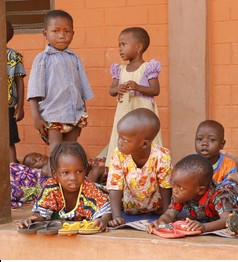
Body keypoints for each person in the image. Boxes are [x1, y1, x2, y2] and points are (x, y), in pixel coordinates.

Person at [27, 10, 94, 153]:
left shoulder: (74, 58)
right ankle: (54, 175)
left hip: (74, 113)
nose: (62, 35)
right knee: (56, 150)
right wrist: (36, 117)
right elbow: (34, 90)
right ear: (45, 34)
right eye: (56, 31)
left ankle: (66, 175)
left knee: (70, 150)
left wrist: (83, 110)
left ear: (73, 34)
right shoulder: (42, 59)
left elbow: (81, 87)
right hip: (53, 113)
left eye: (67, 31)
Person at [17, 142, 111, 232]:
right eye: (66, 173)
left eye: (79, 171)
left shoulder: (89, 189)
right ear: (55, 174)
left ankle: (98, 172)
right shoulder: (52, 188)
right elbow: (41, 212)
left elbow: (107, 211)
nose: (73, 178)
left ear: (85, 170)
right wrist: (32, 220)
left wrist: (103, 221)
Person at [106, 27, 162, 166]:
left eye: (123, 45)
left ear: (138, 47)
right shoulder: (119, 70)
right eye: (119, 45)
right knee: (123, 139)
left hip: (142, 115)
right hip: (124, 112)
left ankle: (151, 167)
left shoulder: (148, 68)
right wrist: (118, 88)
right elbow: (111, 91)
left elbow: (155, 90)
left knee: (144, 140)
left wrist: (137, 87)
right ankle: (120, 169)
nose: (120, 49)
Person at [107, 108, 172, 227]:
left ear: (144, 144)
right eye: (119, 136)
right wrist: (117, 217)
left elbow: (166, 185)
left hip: (157, 209)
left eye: (125, 140)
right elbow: (115, 186)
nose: (119, 142)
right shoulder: (118, 155)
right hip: (130, 209)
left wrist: (168, 213)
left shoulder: (162, 156)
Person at [147, 154, 238, 233]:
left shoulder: (220, 196)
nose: (174, 190)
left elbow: (227, 220)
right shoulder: (180, 193)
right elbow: (170, 214)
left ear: (200, 190)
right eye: (173, 184)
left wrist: (204, 227)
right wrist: (161, 222)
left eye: (180, 187)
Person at [6, 20, 26, 163]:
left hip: (7, 106)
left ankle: (13, 172)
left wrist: (20, 106)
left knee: (9, 140)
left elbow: (19, 81)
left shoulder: (13, 56)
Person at [195, 120, 237, 186]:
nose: (204, 143)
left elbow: (228, 191)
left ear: (222, 144)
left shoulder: (228, 165)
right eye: (200, 139)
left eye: (211, 140)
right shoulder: (190, 163)